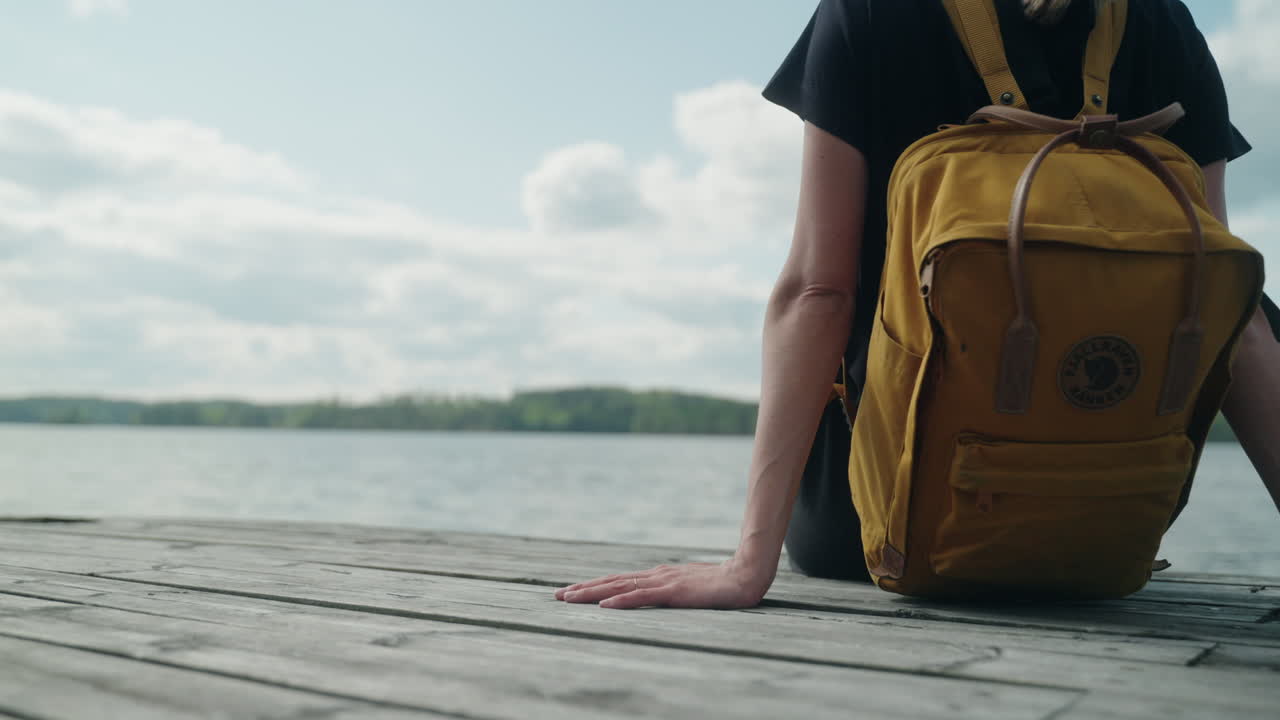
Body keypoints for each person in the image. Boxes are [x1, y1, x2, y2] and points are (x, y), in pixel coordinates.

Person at [554, 0, 1280, 610]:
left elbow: (820, 289)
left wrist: (749, 565)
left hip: (875, 534)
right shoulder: (1162, 22)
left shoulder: (871, 11)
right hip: (1103, 532)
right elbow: (1231, 315)